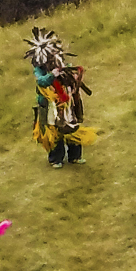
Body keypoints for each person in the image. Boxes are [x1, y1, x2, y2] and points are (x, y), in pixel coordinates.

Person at [28, 27, 89, 168]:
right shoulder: (39, 69)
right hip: (50, 105)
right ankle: (56, 159)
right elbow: (41, 82)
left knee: (72, 126)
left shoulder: (61, 63)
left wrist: (72, 76)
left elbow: (68, 71)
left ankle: (75, 156)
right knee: (54, 131)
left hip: (66, 102)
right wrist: (52, 75)